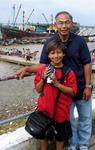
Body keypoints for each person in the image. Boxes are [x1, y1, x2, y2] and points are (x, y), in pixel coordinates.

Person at [16, 11, 92, 150]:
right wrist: (27, 69)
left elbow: (87, 63)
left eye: (67, 22)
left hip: (80, 87)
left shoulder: (80, 42)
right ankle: (74, 144)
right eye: (60, 22)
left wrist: (88, 85)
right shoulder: (50, 42)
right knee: (68, 121)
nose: (64, 25)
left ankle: (84, 145)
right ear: (56, 24)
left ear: (72, 23)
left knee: (85, 120)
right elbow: (44, 65)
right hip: (64, 94)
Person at [35, 40, 77, 150]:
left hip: (61, 111)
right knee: (43, 135)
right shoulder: (43, 70)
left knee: (60, 137)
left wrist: (57, 84)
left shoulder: (69, 72)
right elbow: (38, 90)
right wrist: (43, 78)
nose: (56, 56)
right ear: (48, 55)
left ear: (63, 54)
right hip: (44, 110)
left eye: (58, 52)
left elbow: (73, 92)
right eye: (52, 53)